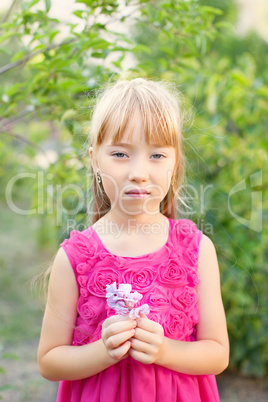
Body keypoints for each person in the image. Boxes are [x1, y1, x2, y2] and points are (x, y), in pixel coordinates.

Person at [37, 78, 229, 401]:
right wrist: (102, 351)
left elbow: (217, 353)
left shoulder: (196, 251)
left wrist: (164, 350)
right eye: (121, 154)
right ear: (95, 159)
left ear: (175, 162)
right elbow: (49, 360)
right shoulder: (74, 258)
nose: (139, 171)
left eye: (156, 156)